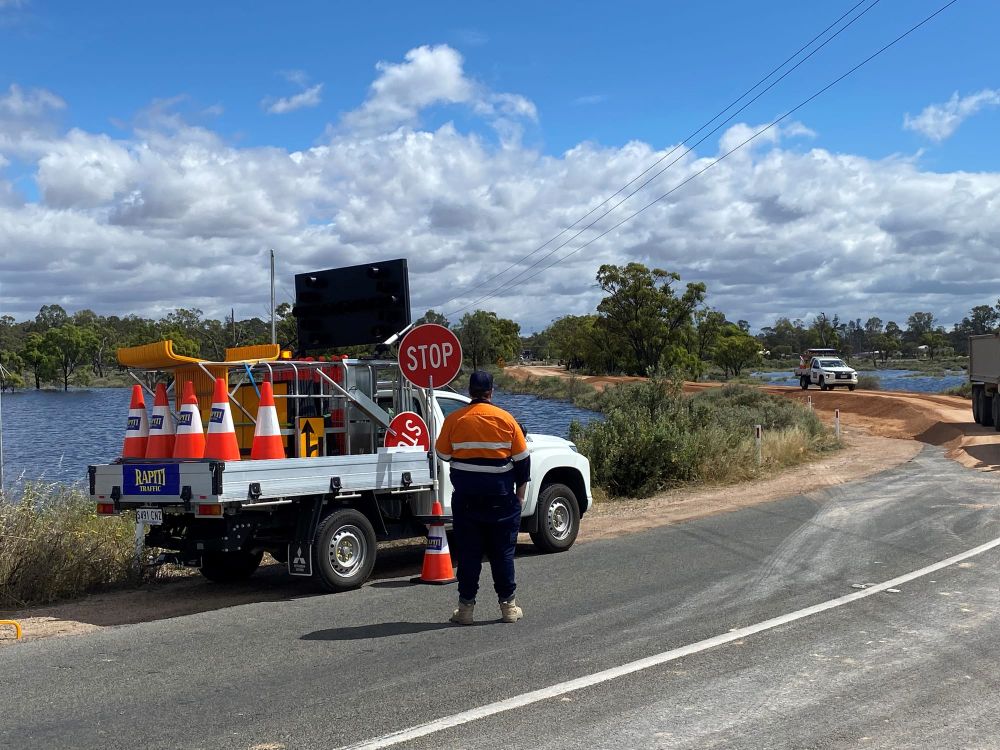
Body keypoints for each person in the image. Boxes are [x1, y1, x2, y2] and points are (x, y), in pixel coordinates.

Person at [435, 370, 530, 625]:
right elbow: (523, 462)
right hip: (501, 501)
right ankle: (508, 608)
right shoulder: (507, 420)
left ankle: (465, 610)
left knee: (469, 556)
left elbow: (442, 454)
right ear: (491, 392)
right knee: (503, 555)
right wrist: (520, 496)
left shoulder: (454, 419)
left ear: (469, 392)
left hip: (466, 501)